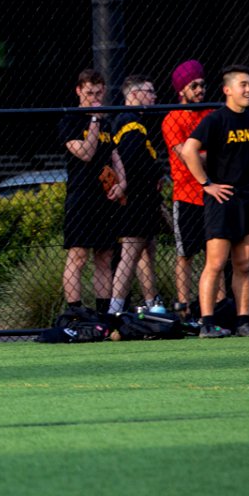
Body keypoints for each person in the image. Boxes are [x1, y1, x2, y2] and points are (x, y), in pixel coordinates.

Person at [181, 64, 249, 338]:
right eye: (243, 85)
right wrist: (206, 184)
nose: (248, 90)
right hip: (222, 200)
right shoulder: (215, 120)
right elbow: (189, 150)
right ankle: (207, 323)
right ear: (227, 90)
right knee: (216, 263)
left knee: (243, 264)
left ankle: (243, 320)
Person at [60, 69, 125, 315]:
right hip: (81, 196)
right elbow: (86, 153)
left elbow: (115, 156)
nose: (95, 98)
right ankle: (74, 310)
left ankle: (103, 312)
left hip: (104, 197)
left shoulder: (108, 123)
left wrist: (122, 183)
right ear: (79, 91)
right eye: (89, 93)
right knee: (78, 255)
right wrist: (95, 120)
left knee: (105, 256)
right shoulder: (70, 120)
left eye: (99, 93)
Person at [161, 60, 214, 317]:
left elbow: (199, 154)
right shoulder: (172, 119)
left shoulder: (211, 113)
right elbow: (186, 156)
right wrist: (212, 155)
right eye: (194, 86)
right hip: (187, 195)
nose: (200, 89)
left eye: (202, 84)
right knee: (186, 254)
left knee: (215, 255)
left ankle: (216, 306)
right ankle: (184, 307)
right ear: (182, 90)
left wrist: (202, 155)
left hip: (213, 194)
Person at [108, 76, 163, 316]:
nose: (154, 96)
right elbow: (131, 160)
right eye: (149, 91)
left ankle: (153, 304)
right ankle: (115, 309)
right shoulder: (129, 121)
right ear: (133, 94)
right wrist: (153, 174)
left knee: (145, 252)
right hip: (136, 199)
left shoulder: (137, 122)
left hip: (145, 199)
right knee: (130, 254)